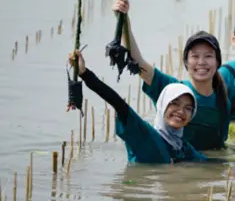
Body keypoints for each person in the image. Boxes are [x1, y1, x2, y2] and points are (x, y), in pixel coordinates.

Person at [112, 0, 231, 151]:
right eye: (195, 56)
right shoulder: (171, 89)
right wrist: (123, 21)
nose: (201, 62)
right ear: (186, 63)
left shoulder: (223, 103)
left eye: (208, 56)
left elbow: (221, 148)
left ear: (217, 63)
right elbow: (138, 62)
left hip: (203, 168)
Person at [68, 50, 211, 164]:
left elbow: (210, 163)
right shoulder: (145, 135)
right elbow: (118, 103)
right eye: (174, 103)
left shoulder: (183, 148)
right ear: (162, 106)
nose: (181, 111)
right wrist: (84, 74)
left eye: (188, 108)